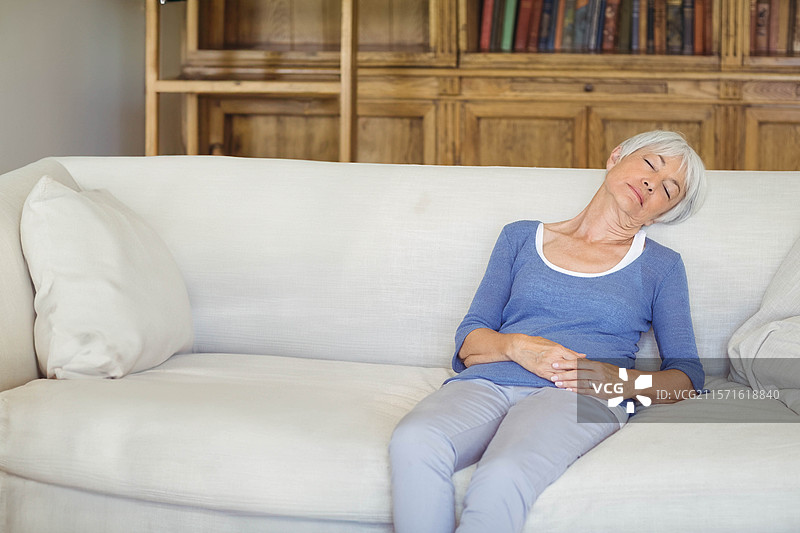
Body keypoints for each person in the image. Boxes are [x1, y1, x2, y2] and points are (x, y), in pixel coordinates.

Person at [389, 130, 707, 533]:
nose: (651, 183)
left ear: (661, 214)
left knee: (504, 473)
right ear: (616, 157)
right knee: (415, 439)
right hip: (488, 382)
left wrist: (618, 380)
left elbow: (687, 377)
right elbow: (470, 341)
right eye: (650, 164)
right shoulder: (520, 237)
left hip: (582, 397)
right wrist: (517, 347)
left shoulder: (662, 266)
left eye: (668, 189)